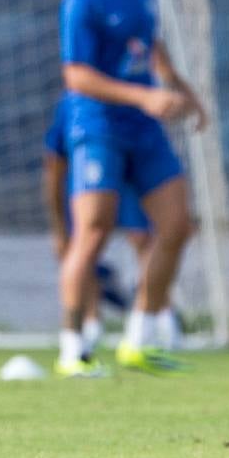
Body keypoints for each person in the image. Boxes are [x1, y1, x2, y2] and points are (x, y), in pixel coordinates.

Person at [54, 0, 203, 378]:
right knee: (93, 232)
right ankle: (73, 348)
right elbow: (76, 75)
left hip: (142, 126)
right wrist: (144, 96)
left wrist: (182, 89)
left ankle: (139, 337)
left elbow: (149, 46)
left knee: (177, 225)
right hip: (97, 125)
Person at [40, 95, 153, 374]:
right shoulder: (74, 105)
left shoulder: (137, 94)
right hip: (87, 183)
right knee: (85, 244)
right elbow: (53, 165)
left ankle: (153, 325)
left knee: (148, 239)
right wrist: (57, 228)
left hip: (128, 183)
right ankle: (84, 334)